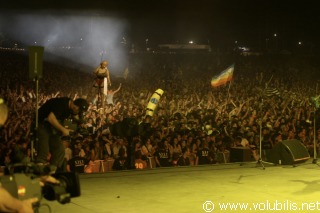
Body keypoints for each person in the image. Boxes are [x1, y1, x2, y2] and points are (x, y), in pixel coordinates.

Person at [36, 97, 89, 173]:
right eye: (79, 110)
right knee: (44, 150)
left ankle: (52, 172)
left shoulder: (71, 108)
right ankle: (39, 172)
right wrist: (64, 130)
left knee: (59, 150)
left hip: (52, 127)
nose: (78, 113)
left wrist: (81, 124)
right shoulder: (61, 104)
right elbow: (50, 118)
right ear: (75, 106)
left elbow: (75, 116)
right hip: (42, 124)